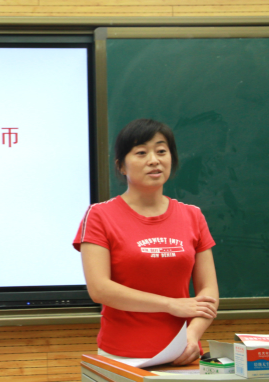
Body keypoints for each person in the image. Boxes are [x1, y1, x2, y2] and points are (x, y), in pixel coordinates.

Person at [73, 118, 219, 365]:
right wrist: (171, 305)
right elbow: (99, 289)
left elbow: (209, 291)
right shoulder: (99, 215)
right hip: (122, 356)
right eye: (141, 153)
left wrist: (192, 336)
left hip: (183, 354)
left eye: (161, 151)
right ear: (121, 166)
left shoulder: (193, 215)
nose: (154, 160)